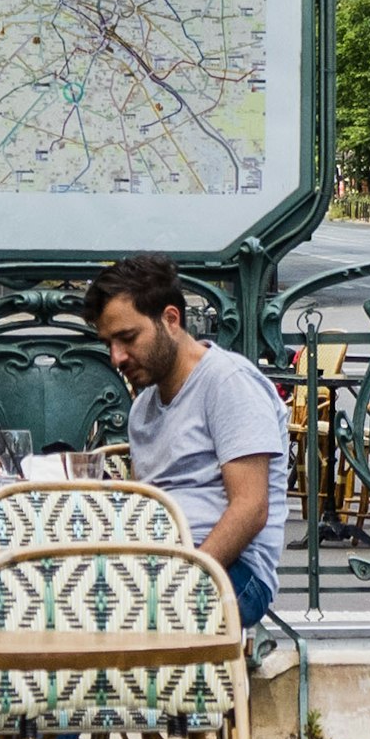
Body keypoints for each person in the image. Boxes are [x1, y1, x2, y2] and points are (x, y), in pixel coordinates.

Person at [85, 253, 290, 631]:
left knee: (68, 603)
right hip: (154, 560)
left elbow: (251, 507)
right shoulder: (143, 404)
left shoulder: (227, 383)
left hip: (231, 573)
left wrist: (184, 575)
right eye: (108, 343)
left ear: (171, 319)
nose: (116, 357)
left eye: (127, 338)